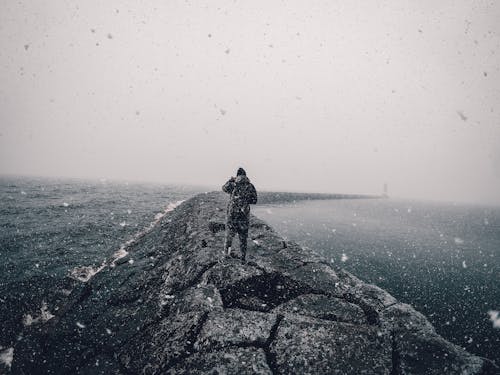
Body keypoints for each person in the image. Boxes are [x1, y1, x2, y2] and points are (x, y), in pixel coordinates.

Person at [222, 168, 257, 261]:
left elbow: (224, 188)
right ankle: (242, 258)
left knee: (229, 235)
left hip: (232, 214)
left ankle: (226, 254)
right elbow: (254, 200)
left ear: (237, 175)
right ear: (246, 175)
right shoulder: (250, 186)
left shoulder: (233, 184)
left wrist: (230, 180)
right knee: (243, 238)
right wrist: (245, 201)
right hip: (243, 215)